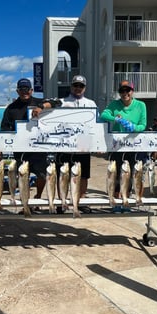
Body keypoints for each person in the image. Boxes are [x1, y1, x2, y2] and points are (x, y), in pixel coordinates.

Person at [1, 78, 61, 201]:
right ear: (17, 91)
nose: (24, 92)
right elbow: (4, 129)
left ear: (31, 90)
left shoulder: (40, 101)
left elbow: (58, 102)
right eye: (22, 90)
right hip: (20, 150)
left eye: (27, 89)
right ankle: (25, 201)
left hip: (39, 149)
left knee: (43, 175)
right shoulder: (11, 108)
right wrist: (2, 147)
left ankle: (38, 197)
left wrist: (41, 106)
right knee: (23, 177)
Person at [100, 80, 147, 212]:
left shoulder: (141, 105)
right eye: (122, 91)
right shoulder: (115, 104)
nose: (125, 93)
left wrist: (134, 127)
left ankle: (126, 200)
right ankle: (116, 202)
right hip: (117, 146)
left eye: (128, 90)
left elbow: (143, 125)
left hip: (133, 146)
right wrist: (115, 118)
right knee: (114, 175)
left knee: (131, 174)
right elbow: (104, 114)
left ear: (132, 91)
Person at [55, 75, 97, 213]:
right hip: (64, 143)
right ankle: (62, 202)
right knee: (63, 175)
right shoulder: (61, 102)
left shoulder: (91, 103)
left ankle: (81, 201)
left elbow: (96, 125)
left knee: (83, 175)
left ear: (85, 88)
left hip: (83, 142)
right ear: (71, 86)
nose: (78, 88)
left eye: (81, 86)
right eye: (75, 85)